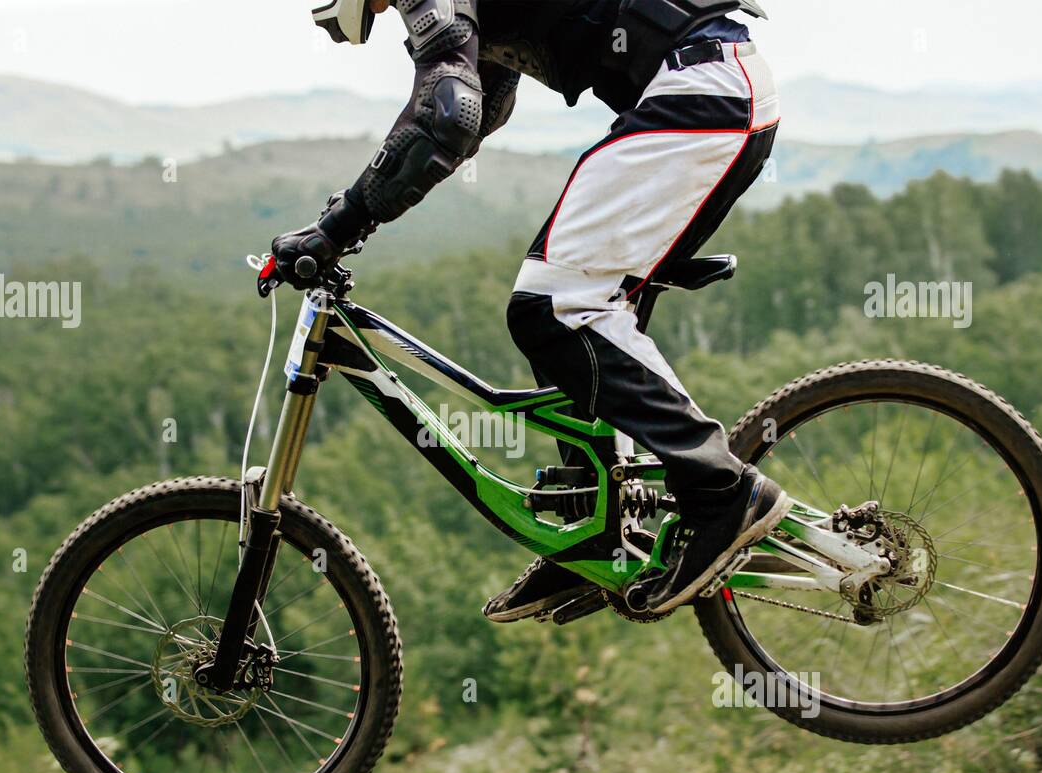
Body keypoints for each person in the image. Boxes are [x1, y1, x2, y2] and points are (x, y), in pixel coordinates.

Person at [271, 0, 791, 619]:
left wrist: (338, 226)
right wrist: (350, 221)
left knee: (550, 307)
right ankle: (592, 528)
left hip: (704, 92)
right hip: (713, 91)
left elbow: (450, 116)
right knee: (565, 300)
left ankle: (720, 491)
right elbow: (478, 107)